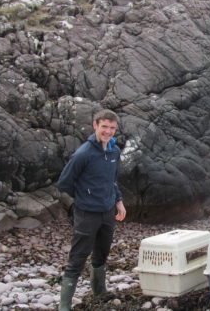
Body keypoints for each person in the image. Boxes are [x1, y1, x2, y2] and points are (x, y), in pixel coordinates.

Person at [56, 109, 127, 311]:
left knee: (101, 255)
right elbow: (64, 183)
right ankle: (64, 305)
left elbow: (112, 180)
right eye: (104, 126)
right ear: (95, 125)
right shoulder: (83, 154)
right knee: (78, 258)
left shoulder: (114, 151)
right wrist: (83, 200)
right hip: (86, 213)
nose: (108, 131)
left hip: (107, 212)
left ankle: (99, 293)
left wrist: (118, 201)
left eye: (112, 128)